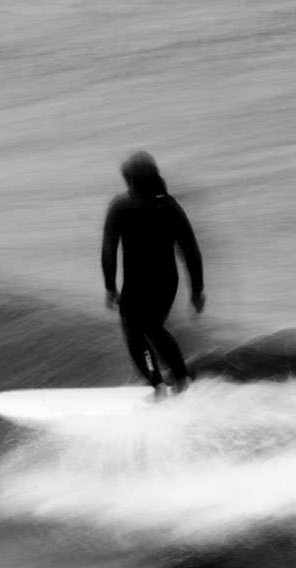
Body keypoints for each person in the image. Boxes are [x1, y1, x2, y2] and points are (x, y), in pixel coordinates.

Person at [102, 151, 205, 397]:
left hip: (136, 284)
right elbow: (190, 251)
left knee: (135, 333)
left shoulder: (120, 207)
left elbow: (108, 251)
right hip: (166, 283)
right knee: (153, 327)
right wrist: (197, 290)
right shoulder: (169, 206)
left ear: (131, 180)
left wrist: (110, 286)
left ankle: (158, 385)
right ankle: (182, 381)